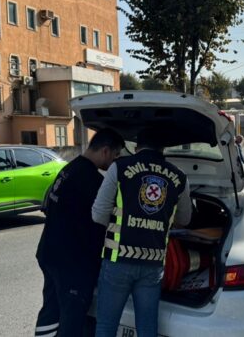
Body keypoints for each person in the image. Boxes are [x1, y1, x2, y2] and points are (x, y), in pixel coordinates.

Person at [91, 128, 192, 337]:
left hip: (118, 259)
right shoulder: (180, 178)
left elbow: (98, 214)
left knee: (106, 326)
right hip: (152, 264)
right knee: (147, 328)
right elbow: (185, 219)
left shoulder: (119, 168)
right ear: (163, 149)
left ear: (136, 147)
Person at [35, 128, 124, 337]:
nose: (114, 162)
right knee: (72, 318)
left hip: (50, 253)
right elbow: (110, 219)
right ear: (105, 151)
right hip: (72, 263)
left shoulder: (69, 169)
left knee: (51, 310)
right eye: (115, 155)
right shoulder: (91, 180)